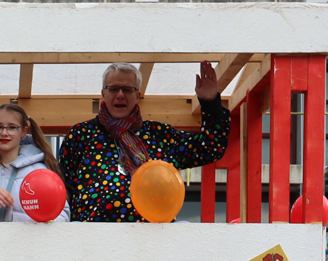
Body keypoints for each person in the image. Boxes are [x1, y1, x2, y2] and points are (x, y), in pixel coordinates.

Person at [59, 61, 230, 222]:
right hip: (93, 238)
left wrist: (210, 103)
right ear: (103, 94)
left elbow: (210, 147)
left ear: (137, 96)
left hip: (155, 238)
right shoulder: (81, 135)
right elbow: (64, 190)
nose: (120, 95)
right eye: (113, 89)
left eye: (127, 90)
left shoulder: (161, 135)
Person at [0, 102, 69, 223]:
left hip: (26, 236)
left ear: (24, 131)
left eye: (12, 127)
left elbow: (62, 216)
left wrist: (30, 225)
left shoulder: (41, 172)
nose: (4, 133)